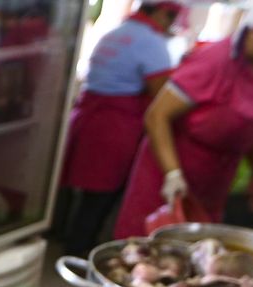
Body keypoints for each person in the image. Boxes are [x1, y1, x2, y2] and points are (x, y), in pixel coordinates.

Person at [113, 0, 253, 238]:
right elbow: (157, 116)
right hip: (169, 182)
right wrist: (172, 173)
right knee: (149, 254)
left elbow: (250, 128)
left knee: (195, 256)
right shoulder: (212, 62)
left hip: (212, 185)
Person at [57, 0, 183, 255]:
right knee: (99, 197)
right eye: (171, 17)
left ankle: (61, 238)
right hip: (114, 126)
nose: (172, 24)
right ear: (160, 13)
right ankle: (79, 252)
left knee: (73, 190)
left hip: (86, 118)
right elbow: (161, 96)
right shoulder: (152, 42)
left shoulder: (115, 33)